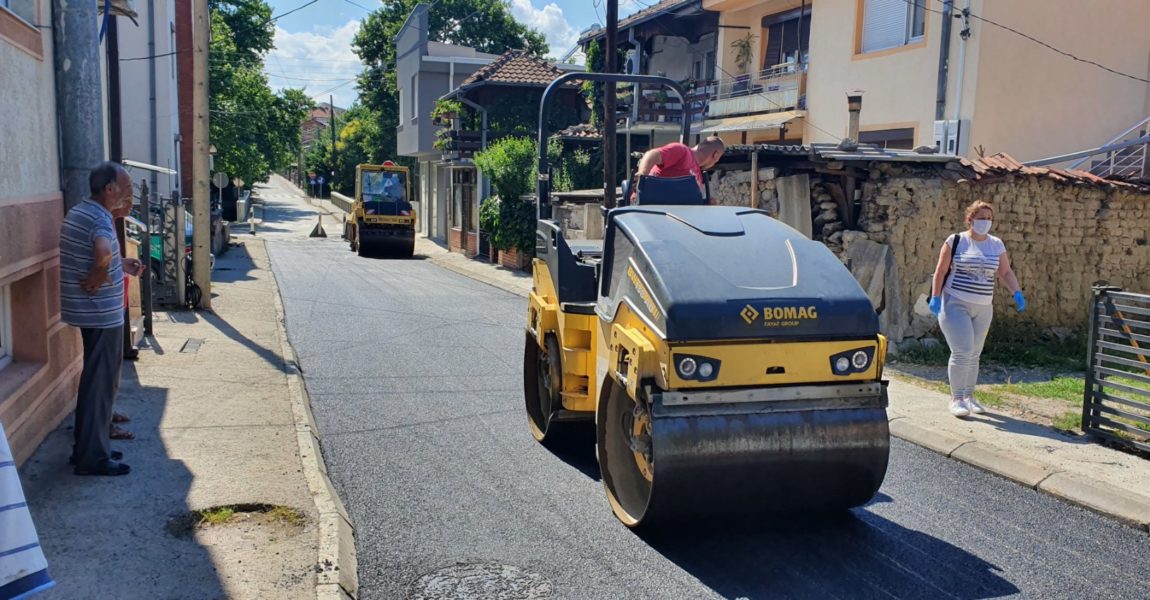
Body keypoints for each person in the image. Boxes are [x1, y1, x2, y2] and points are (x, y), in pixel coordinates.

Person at [59, 162, 145, 476]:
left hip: (89, 311)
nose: (127, 192)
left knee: (96, 381)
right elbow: (101, 251)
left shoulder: (82, 211)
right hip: (100, 313)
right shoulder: (97, 217)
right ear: (109, 189)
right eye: (124, 186)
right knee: (99, 384)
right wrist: (101, 271)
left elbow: (104, 255)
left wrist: (119, 265)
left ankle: (88, 447)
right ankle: (91, 458)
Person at [928, 200, 1026, 418]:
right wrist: (935, 297)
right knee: (962, 350)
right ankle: (956, 398)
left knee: (974, 353)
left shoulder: (996, 244)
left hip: (983, 307)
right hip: (955, 303)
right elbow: (941, 270)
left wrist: (1016, 292)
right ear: (970, 219)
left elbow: (1005, 272)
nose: (986, 222)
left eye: (989, 218)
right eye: (981, 218)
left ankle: (969, 396)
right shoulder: (956, 241)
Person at [634, 136, 725, 202]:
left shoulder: (698, 176)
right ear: (715, 155)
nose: (714, 164)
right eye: (717, 160)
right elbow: (652, 154)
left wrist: (705, 203)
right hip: (646, 208)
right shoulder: (682, 151)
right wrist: (642, 173)